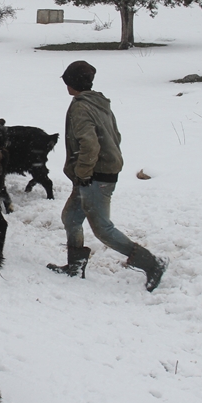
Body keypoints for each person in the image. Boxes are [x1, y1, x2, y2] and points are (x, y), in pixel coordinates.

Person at [48, 60, 168, 291]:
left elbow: (90, 145)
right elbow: (115, 135)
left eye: (67, 81)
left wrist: (82, 173)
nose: (65, 86)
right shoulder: (98, 102)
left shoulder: (82, 107)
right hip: (96, 171)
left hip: (95, 175)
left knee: (103, 228)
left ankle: (152, 263)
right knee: (71, 218)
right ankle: (75, 265)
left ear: (72, 83)